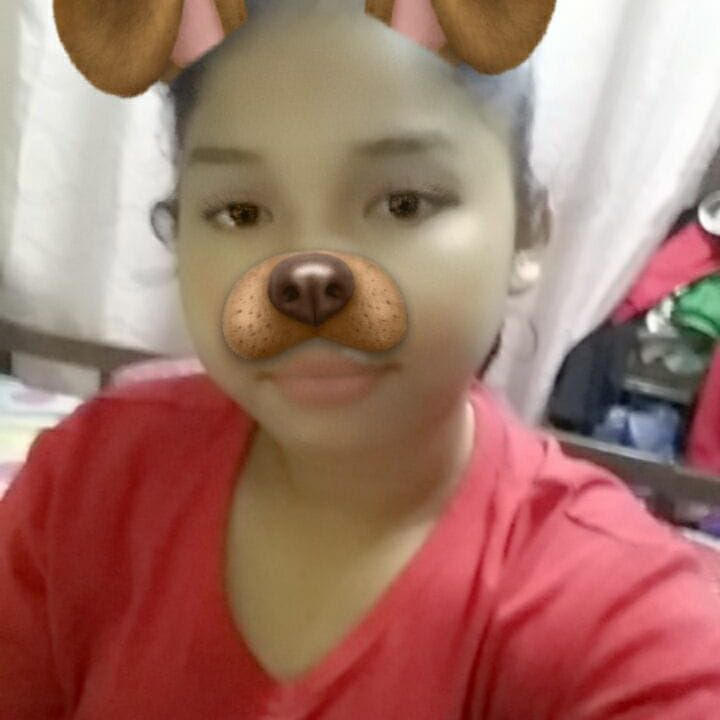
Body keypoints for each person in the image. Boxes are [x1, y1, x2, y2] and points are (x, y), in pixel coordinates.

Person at [2, 2, 719, 718]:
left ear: (527, 233)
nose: (308, 273)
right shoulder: (86, 484)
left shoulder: (614, 613)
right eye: (240, 212)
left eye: (403, 203)